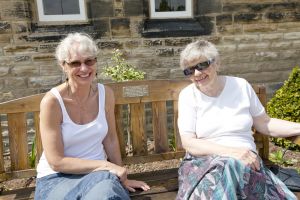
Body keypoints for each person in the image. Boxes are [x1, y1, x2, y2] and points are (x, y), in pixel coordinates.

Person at [176, 40, 300, 200]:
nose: (197, 74)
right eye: (189, 71)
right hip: (204, 163)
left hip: (247, 162)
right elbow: (189, 143)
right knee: (228, 165)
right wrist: (233, 152)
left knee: (232, 166)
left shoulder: (240, 86)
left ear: (216, 63)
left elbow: (265, 123)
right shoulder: (188, 96)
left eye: (202, 65)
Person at [34, 33, 150, 200]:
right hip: (57, 178)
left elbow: (110, 138)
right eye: (75, 63)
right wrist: (106, 166)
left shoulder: (105, 94)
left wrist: (122, 175)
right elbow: (56, 161)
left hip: (100, 177)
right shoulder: (52, 102)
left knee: (106, 194)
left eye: (89, 61)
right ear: (63, 66)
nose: (84, 68)